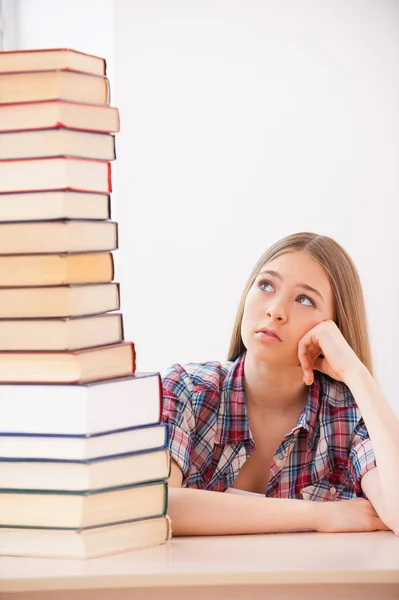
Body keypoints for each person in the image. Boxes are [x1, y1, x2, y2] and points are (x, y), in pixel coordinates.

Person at [161, 232, 399, 536]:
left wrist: (355, 372)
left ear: (334, 327)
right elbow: (158, 505)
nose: (275, 310)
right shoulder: (186, 390)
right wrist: (319, 515)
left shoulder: (347, 418)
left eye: (304, 300)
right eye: (266, 285)